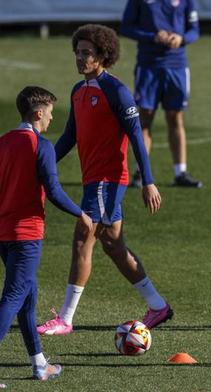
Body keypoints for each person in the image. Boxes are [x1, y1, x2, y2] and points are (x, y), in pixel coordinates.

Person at [37, 24, 172, 336]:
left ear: (103, 56)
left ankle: (66, 319)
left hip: (107, 180)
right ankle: (158, 305)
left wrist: (148, 181)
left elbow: (137, 137)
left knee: (83, 238)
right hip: (92, 180)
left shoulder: (116, 91)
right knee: (113, 244)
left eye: (87, 53)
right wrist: (42, 165)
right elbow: (70, 136)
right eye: (78, 52)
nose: (81, 58)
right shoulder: (79, 91)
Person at [0, 86, 93, 382]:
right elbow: (53, 191)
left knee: (28, 296)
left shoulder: (3, 143)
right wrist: (81, 213)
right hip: (26, 235)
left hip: (3, 233)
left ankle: (39, 364)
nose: (52, 119)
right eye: (51, 113)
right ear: (38, 113)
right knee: (14, 296)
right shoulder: (41, 146)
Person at [121, 0, 202, 188]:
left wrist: (181, 39)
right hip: (148, 66)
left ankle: (180, 172)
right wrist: (153, 36)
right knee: (145, 118)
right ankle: (141, 173)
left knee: (175, 117)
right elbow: (126, 27)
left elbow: (194, 30)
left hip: (177, 66)